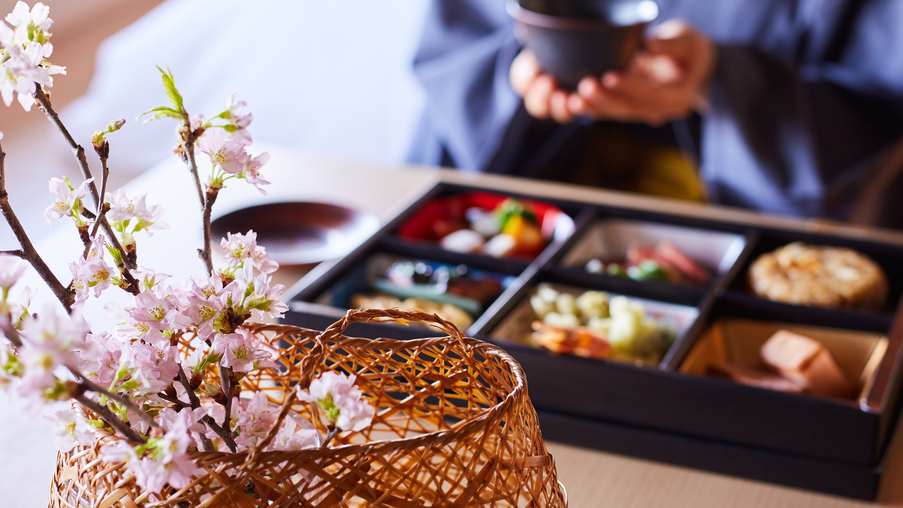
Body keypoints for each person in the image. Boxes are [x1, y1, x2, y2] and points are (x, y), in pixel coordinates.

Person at [408, 0, 903, 225]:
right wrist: (516, 73)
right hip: (522, 200)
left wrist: (719, 75)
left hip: (739, 214)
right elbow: (457, 46)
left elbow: (877, 104)